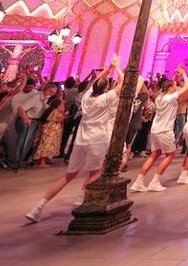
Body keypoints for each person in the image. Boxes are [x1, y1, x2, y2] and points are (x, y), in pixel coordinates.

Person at [26, 56, 135, 223]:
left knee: (68, 176)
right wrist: (118, 67)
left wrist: (109, 68)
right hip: (97, 140)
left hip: (81, 141)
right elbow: (125, 82)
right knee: (95, 173)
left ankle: (38, 207)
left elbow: (95, 83)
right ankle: (84, 201)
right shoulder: (105, 99)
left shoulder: (87, 97)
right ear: (106, 89)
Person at [130, 66, 188, 192]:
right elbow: (187, 86)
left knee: (154, 155)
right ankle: (155, 181)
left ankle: (139, 181)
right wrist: (184, 73)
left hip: (155, 130)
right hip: (165, 131)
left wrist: (175, 75)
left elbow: (168, 85)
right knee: (170, 155)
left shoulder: (160, 97)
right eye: (174, 86)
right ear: (170, 88)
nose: (176, 87)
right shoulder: (170, 98)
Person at [10, 78, 46, 168]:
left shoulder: (35, 93)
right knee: (22, 141)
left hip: (33, 121)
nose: (28, 89)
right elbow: (21, 108)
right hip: (22, 119)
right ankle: (15, 161)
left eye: (30, 87)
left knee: (27, 142)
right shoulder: (20, 93)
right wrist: (25, 118)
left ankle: (19, 160)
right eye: (26, 87)